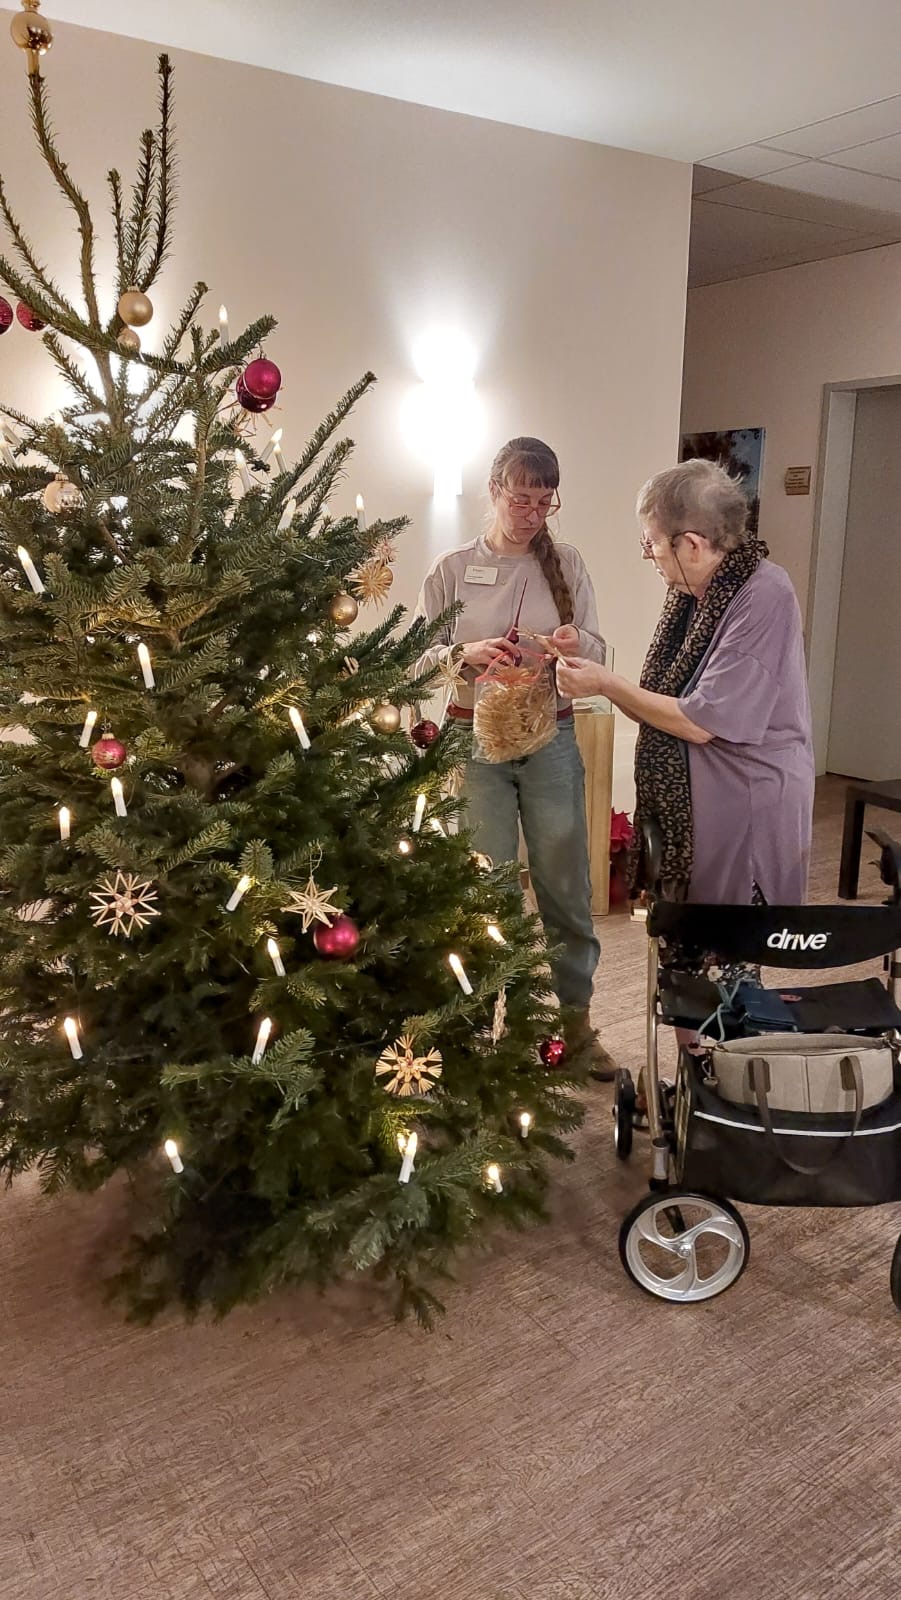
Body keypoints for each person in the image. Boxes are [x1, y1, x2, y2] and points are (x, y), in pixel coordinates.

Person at [414, 436, 614, 1077]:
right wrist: (461, 657)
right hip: (473, 745)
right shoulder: (450, 570)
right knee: (482, 890)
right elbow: (414, 666)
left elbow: (599, 656)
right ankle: (473, 1035)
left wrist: (571, 643)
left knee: (565, 888)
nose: (531, 513)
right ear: (494, 491)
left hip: (550, 739)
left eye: (543, 502)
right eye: (520, 498)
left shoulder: (569, 564)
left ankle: (576, 1030)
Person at [556, 458, 815, 913]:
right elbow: (661, 701)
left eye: (651, 541)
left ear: (692, 544)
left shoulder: (765, 595)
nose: (646, 553)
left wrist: (605, 683)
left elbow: (701, 721)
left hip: (744, 804)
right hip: (703, 802)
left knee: (730, 957)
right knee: (683, 958)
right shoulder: (695, 592)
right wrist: (604, 683)